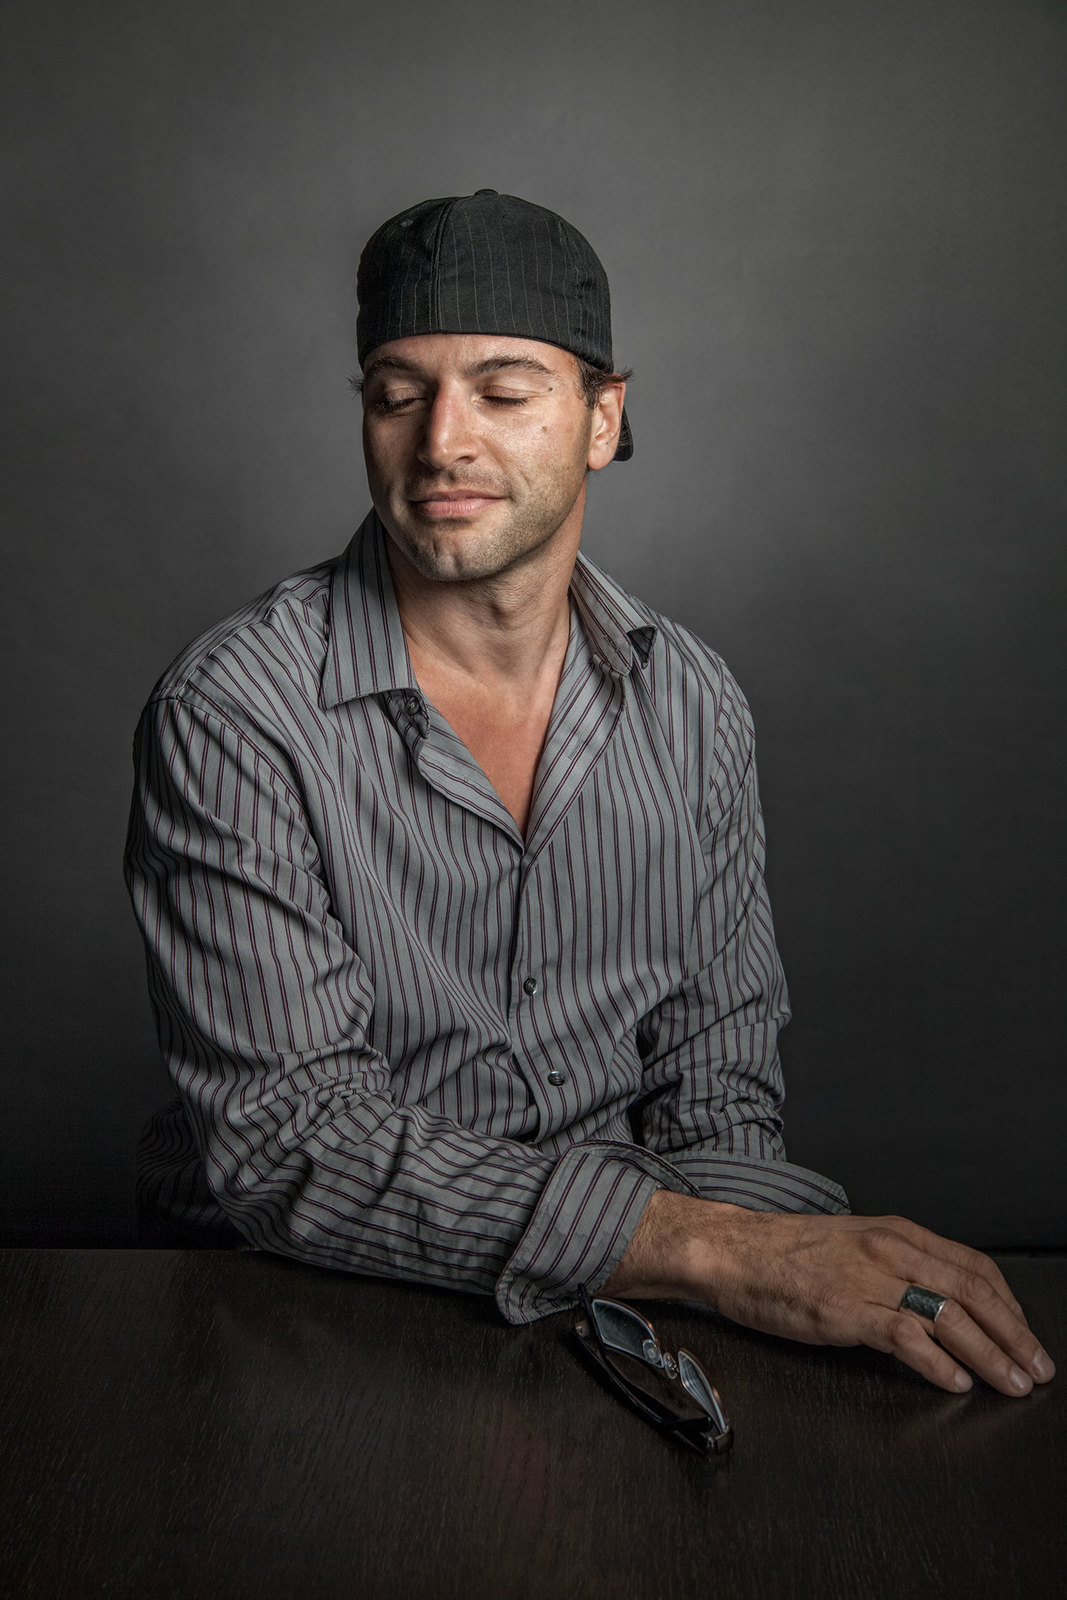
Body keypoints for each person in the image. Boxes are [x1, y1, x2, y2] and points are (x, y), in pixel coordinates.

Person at [126, 189, 1053, 1398]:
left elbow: (716, 1086)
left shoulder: (694, 702)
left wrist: (759, 1270)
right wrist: (716, 1250)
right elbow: (293, 1146)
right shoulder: (232, 710)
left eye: (502, 392)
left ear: (602, 419)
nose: (441, 440)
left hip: (631, 1310)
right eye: (396, 394)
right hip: (304, 1319)